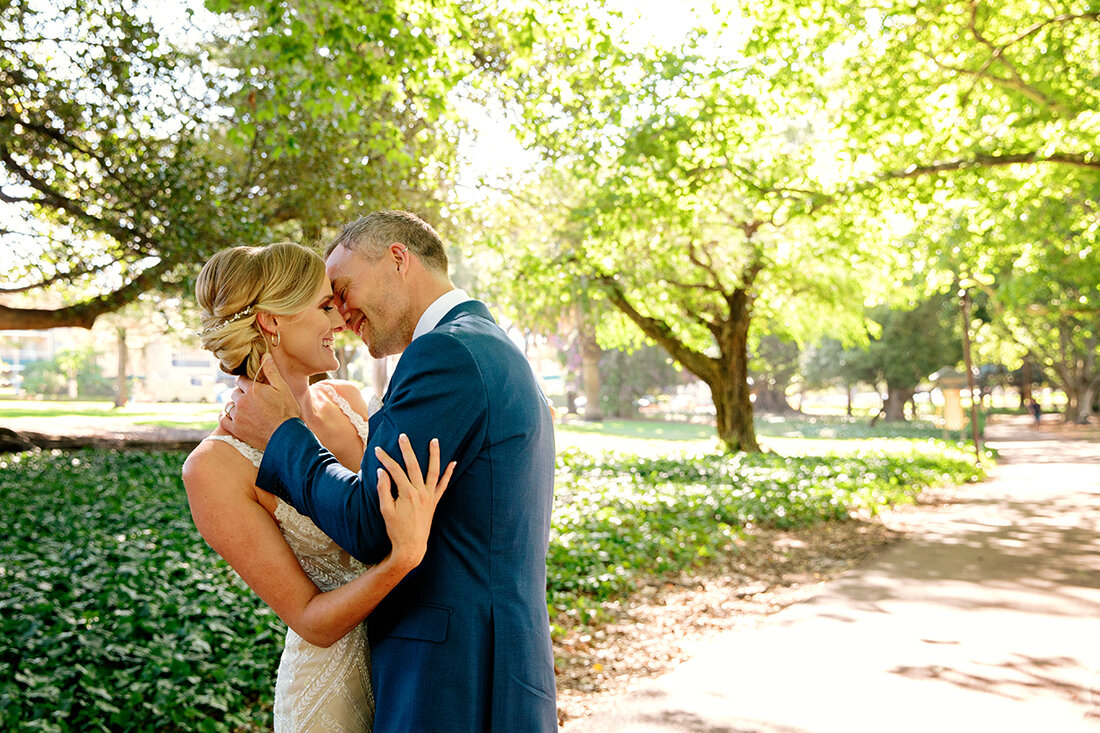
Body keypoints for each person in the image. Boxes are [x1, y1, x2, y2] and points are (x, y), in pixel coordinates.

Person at [221, 211, 557, 732]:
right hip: (487, 667)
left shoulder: (444, 352)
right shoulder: (485, 342)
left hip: (452, 681)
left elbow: (369, 523)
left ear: (398, 259)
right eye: (326, 302)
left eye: (344, 289)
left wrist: (283, 436)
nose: (341, 313)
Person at [181, 242, 455, 732]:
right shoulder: (214, 468)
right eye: (325, 306)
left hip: (416, 671)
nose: (343, 320)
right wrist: (398, 563)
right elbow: (310, 619)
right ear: (272, 322)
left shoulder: (352, 401)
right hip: (330, 697)